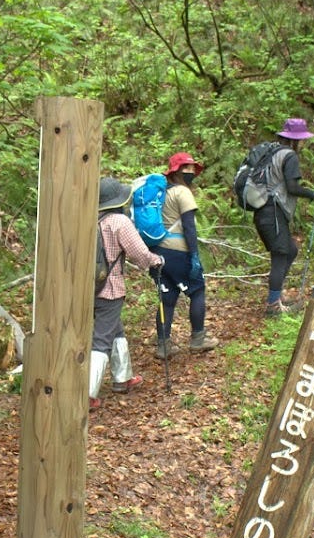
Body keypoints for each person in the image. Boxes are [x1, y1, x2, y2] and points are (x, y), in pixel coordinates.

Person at [91, 176, 164, 411]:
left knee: (115, 330)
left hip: (89, 288)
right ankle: (87, 393)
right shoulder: (119, 222)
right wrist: (156, 260)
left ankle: (123, 377)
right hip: (109, 289)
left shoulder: (92, 221)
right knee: (102, 339)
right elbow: (139, 254)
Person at [245, 117, 314, 315]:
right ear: (295, 140)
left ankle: (277, 297)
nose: (303, 143)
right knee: (281, 254)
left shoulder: (273, 152)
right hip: (272, 212)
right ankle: (273, 306)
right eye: (302, 139)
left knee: (289, 250)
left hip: (265, 212)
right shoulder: (289, 155)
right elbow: (292, 187)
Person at [153, 152, 219, 358]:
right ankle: (198, 337)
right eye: (186, 168)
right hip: (178, 251)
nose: (190, 172)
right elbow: (189, 227)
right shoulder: (182, 192)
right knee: (197, 291)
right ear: (176, 171)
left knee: (168, 297)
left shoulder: (161, 192)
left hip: (158, 252)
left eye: (192, 168)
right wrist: (194, 256)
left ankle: (163, 344)